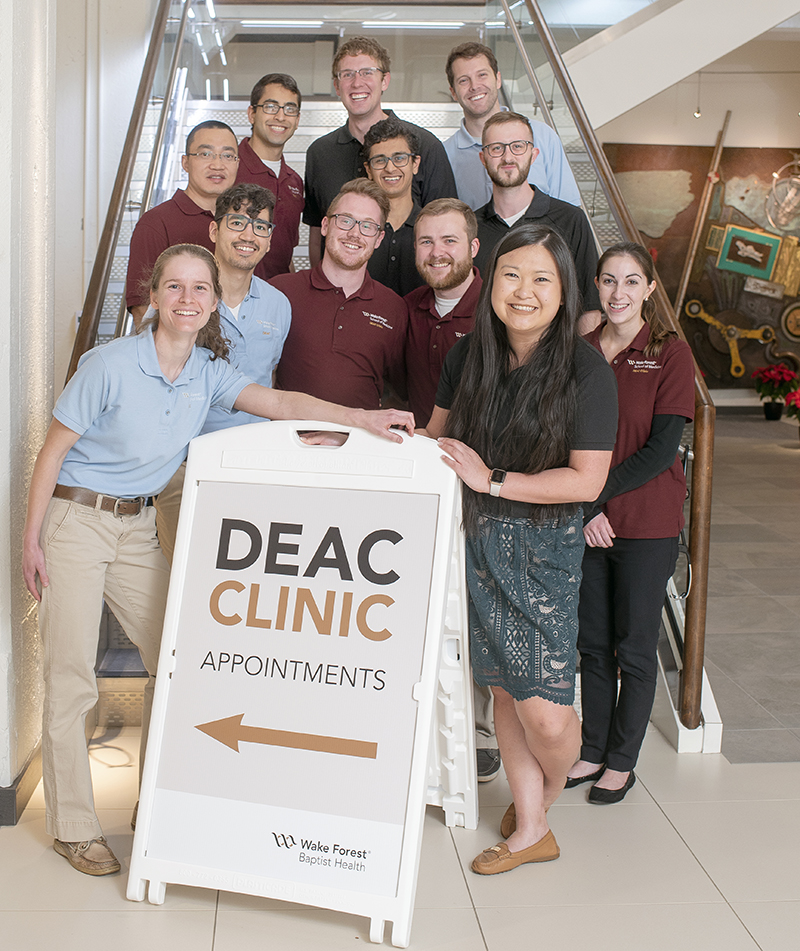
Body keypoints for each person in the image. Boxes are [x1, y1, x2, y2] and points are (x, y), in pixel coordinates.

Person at [22, 243, 413, 877]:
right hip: (76, 521)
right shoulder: (110, 364)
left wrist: (359, 419)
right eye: (173, 287)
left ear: (212, 304)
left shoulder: (206, 370)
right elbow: (51, 450)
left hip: (137, 523)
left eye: (199, 289)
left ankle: (156, 806)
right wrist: (31, 539)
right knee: (72, 679)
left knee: (176, 663)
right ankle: (74, 826)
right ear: (153, 297)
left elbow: (281, 403)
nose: (186, 299)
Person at [424, 224, 618, 874]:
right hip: (475, 545)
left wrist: (492, 479)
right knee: (505, 691)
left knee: (549, 714)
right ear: (491, 281)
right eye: (512, 275)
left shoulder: (586, 369)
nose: (524, 291)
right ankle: (531, 825)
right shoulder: (467, 354)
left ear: (565, 291)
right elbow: (437, 441)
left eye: (543, 278)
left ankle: (552, 788)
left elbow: (587, 478)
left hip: (544, 551)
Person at [566, 242, 695, 803]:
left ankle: (621, 761)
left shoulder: (670, 353)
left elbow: (662, 449)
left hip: (647, 524)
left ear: (648, 289)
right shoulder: (579, 351)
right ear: (597, 286)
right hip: (588, 522)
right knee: (592, 645)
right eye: (609, 281)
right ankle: (592, 749)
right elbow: (561, 438)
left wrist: (595, 492)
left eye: (631, 282)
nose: (619, 293)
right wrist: (587, 508)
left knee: (635, 647)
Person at [154, 183, 292, 563]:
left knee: (240, 582)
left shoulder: (279, 305)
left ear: (268, 240)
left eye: (260, 227)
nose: (248, 235)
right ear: (215, 231)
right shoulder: (187, 298)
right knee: (182, 577)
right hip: (185, 467)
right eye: (237, 223)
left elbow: (272, 380)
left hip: (256, 467)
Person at [303, 36, 457, 267]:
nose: (357, 83)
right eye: (347, 74)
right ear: (336, 86)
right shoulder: (319, 152)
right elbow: (317, 234)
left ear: (385, 80)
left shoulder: (425, 145)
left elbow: (448, 227)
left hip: (412, 288)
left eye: (367, 72)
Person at [271, 179, 408, 411]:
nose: (355, 233)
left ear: (379, 239)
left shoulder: (393, 308)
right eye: (345, 221)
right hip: (289, 440)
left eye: (367, 226)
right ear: (325, 226)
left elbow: (401, 392)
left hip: (359, 444)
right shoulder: (280, 292)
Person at [473, 112, 601, 321]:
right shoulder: (471, 227)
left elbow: (589, 309)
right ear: (483, 159)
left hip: (554, 352)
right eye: (496, 148)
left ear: (533, 155)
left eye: (518, 146)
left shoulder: (571, 220)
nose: (507, 157)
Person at [443, 42, 581, 210]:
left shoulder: (542, 136)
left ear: (498, 79)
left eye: (482, 75)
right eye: (464, 80)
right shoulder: (445, 155)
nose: (474, 86)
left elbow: (568, 211)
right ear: (453, 92)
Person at [125, 121, 239, 324]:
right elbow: (143, 311)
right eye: (206, 154)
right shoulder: (155, 223)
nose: (218, 164)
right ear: (185, 162)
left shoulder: (243, 225)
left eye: (228, 156)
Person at [405, 198, 481, 428]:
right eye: (426, 241)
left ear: (473, 247)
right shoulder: (407, 307)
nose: (437, 253)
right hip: (415, 446)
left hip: (477, 457)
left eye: (449, 241)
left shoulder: (498, 311)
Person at [235, 72, 304, 280]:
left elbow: (286, 253)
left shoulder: (294, 182)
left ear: (297, 119)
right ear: (252, 114)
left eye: (289, 109)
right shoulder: (228, 169)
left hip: (275, 301)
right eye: (271, 107)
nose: (281, 117)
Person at [362, 116, 425, 297]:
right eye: (380, 160)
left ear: (415, 164)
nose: (390, 168)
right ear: (368, 170)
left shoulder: (431, 229)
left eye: (399, 158)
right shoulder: (357, 230)